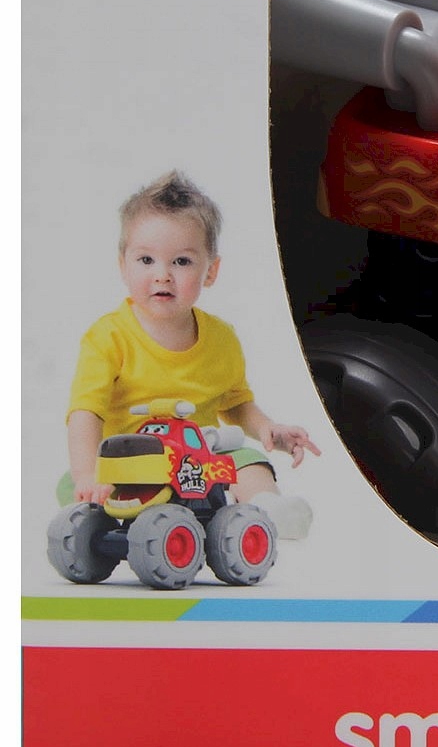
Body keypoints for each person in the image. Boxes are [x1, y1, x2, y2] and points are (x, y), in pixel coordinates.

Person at [62, 171, 320, 538]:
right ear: (123, 266)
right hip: (130, 462)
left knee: (249, 461)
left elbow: (236, 402)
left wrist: (267, 429)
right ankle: (102, 513)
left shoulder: (221, 339)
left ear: (210, 271)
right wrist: (87, 474)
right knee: (73, 486)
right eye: (146, 260)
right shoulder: (108, 338)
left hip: (196, 461)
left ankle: (269, 510)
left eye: (181, 262)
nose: (163, 275)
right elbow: (86, 412)